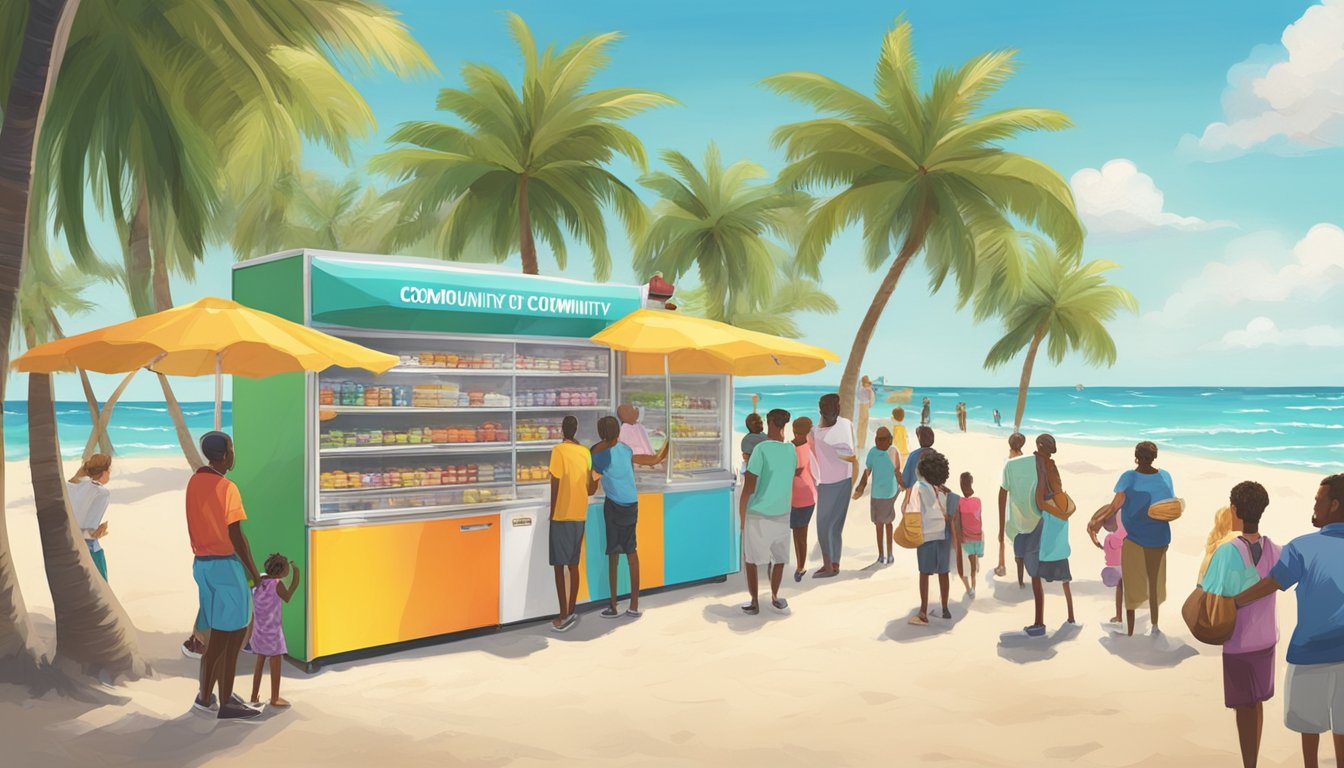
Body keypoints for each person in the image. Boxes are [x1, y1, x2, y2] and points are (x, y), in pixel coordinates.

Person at [1235, 474, 1344, 768]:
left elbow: (1272, 583)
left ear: (1334, 505)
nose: (1314, 506)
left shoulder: (1303, 546)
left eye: (1319, 501)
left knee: (1309, 728)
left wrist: (1234, 601)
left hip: (1310, 653)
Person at [1200, 482, 1279, 768]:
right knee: (1255, 703)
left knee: (1243, 708)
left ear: (1234, 510)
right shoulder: (1275, 549)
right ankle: (1252, 761)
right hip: (1267, 639)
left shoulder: (1226, 551)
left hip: (1238, 641)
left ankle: (1250, 764)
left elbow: (1209, 589)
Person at [187, 431, 263, 721]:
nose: (233, 455)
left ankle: (205, 697)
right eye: (231, 449)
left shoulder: (195, 482)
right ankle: (227, 701)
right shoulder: (227, 487)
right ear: (225, 454)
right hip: (226, 567)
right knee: (231, 638)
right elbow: (237, 536)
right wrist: (254, 573)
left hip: (202, 566)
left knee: (216, 637)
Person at [591, 416, 668, 619]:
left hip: (614, 506)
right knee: (632, 553)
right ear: (618, 432)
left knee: (613, 556)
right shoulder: (625, 449)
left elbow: (591, 488)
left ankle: (613, 605)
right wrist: (669, 443)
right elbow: (652, 459)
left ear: (601, 434)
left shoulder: (600, 456)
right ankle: (634, 605)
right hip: (631, 505)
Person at [1102, 441, 1175, 636]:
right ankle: (1155, 625)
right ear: (1154, 457)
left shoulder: (1129, 477)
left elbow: (1114, 506)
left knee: (1132, 585)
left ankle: (1131, 630)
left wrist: (1095, 522)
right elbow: (1169, 505)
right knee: (1155, 581)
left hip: (1134, 538)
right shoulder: (1165, 476)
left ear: (1136, 456)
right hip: (1160, 537)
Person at [739, 409, 797, 615]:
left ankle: (754, 601)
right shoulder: (791, 450)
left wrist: (741, 517)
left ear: (769, 422)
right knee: (779, 558)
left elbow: (749, 487)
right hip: (782, 512)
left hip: (759, 513)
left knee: (752, 559)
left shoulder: (761, 450)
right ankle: (774, 596)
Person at [548, 416, 598, 633]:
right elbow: (589, 488)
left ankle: (563, 616)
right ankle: (571, 609)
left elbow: (555, 483)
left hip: (561, 515)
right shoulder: (585, 452)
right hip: (579, 514)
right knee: (573, 565)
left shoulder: (558, 451)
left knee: (559, 567)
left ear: (562, 430)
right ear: (576, 430)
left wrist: (552, 512)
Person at [810, 394, 857, 578]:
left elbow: (850, 456)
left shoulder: (818, 432)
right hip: (842, 479)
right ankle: (833, 563)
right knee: (834, 525)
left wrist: (836, 452)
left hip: (830, 482)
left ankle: (830, 565)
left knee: (824, 525)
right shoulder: (840, 425)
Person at [1033, 435, 1076, 626]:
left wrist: (1057, 512)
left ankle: (1040, 620)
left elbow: (1040, 500)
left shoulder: (1041, 465)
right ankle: (1071, 615)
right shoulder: (1051, 464)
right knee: (1064, 573)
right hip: (1059, 511)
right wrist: (1063, 512)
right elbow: (1058, 488)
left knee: (1040, 570)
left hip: (1051, 515)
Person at [249, 552, 300, 709]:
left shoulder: (258, 581)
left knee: (259, 663)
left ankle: (253, 696)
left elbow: (250, 584)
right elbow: (288, 596)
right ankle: (275, 698)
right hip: (273, 633)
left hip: (259, 631)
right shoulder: (278, 584)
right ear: (282, 571)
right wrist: (296, 577)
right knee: (276, 663)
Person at [907, 450, 953, 626]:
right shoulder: (940, 488)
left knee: (925, 573)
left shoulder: (918, 487)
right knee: (943, 572)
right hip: (943, 532)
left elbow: (913, 511)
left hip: (926, 534)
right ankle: (945, 608)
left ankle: (923, 611)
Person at [853, 427, 899, 567]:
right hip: (877, 493)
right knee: (879, 525)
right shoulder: (873, 452)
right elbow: (867, 471)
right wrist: (860, 487)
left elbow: (898, 471)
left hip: (889, 493)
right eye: (878, 439)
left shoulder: (893, 451)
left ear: (890, 440)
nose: (880, 442)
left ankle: (889, 554)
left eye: (884, 439)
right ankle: (881, 555)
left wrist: (904, 485)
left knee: (888, 524)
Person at [68, 454, 113, 582]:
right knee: (100, 587)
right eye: (109, 470)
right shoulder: (101, 493)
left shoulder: (71, 486)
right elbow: (88, 531)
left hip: (68, 545)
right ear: (104, 472)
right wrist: (99, 531)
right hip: (88, 548)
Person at [789, 416, 820, 582]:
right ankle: (801, 565)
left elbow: (791, 471)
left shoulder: (790, 448)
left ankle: (800, 566)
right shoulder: (811, 446)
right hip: (810, 495)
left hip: (796, 496)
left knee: (797, 533)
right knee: (802, 533)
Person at [995, 432, 1028, 580]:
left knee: (1004, 533)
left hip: (1012, 500)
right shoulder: (1027, 460)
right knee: (1022, 535)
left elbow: (1004, 488)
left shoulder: (1008, 463)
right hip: (1025, 501)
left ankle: (1002, 564)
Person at [1087, 506, 1128, 624]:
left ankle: (1122, 616)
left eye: (1110, 529)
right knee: (1120, 588)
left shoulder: (1120, 519)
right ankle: (1119, 616)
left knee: (1124, 588)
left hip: (1126, 561)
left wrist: (1108, 539)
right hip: (1121, 563)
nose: (1111, 531)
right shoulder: (1118, 522)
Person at [957, 472, 983, 598]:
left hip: (969, 539)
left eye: (963, 483)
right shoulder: (976, 500)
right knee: (971, 567)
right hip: (974, 538)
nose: (962, 485)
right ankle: (972, 588)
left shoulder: (961, 501)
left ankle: (972, 588)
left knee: (969, 567)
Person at [902, 426, 934, 490]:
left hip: (915, 491)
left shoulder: (913, 455)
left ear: (919, 439)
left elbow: (905, 481)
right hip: (931, 492)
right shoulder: (936, 455)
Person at [857, 376, 875, 451]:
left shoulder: (860, 390)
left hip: (861, 408)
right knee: (863, 427)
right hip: (865, 408)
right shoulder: (869, 391)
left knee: (860, 427)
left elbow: (857, 397)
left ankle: (860, 444)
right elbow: (871, 403)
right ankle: (862, 444)